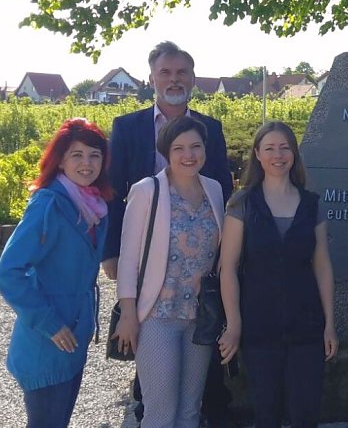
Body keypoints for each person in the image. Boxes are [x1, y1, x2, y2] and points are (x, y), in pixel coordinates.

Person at [102, 41, 234, 426]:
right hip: (153, 299)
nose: (174, 79)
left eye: (181, 72)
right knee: (157, 407)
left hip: (199, 308)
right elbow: (113, 193)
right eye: (166, 72)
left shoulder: (212, 133)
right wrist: (110, 255)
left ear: (192, 78)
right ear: (151, 78)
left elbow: (223, 194)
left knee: (193, 405)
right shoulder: (129, 131)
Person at [217, 121, 338, 428]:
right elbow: (227, 267)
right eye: (269, 148)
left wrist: (330, 325)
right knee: (267, 413)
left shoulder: (312, 204)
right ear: (257, 154)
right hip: (258, 326)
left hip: (307, 326)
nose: (278, 155)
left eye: (285, 147)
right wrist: (234, 325)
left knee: (304, 413)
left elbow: (322, 265)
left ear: (294, 154)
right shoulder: (242, 203)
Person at [0, 118, 113, 428]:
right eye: (77, 155)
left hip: (75, 338)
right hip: (47, 343)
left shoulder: (93, 205)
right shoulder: (48, 205)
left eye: (94, 155)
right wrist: (49, 322)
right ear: (60, 160)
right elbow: (8, 271)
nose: (87, 163)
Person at [112, 116, 226, 428]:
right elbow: (128, 257)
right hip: (156, 317)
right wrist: (128, 313)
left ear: (205, 150)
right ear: (166, 152)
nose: (189, 155)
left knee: (190, 411)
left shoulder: (214, 190)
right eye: (179, 148)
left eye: (195, 146)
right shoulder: (147, 190)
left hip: (198, 319)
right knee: (160, 414)